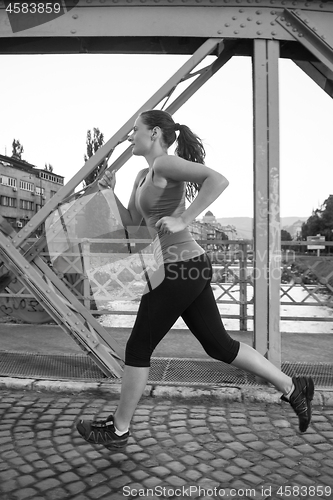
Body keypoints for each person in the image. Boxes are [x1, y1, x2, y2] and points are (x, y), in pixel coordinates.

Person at [76, 110, 314, 449]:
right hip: (184, 266)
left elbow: (217, 180)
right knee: (219, 345)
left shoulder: (163, 165)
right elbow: (135, 225)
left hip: (180, 266)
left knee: (138, 346)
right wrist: (109, 193)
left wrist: (183, 217)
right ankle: (294, 387)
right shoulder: (143, 174)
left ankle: (118, 429)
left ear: (154, 133)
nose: (130, 137)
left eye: (135, 130)